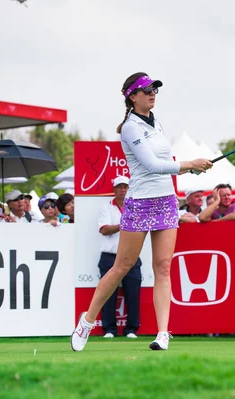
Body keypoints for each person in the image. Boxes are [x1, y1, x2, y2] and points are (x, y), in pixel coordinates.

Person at [71, 72, 212, 352]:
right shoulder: (130, 128)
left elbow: (165, 161)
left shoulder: (156, 122)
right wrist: (188, 163)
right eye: (146, 90)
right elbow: (151, 165)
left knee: (163, 267)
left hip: (166, 201)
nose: (152, 94)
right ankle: (87, 321)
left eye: (154, 90)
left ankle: (162, 334)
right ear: (132, 96)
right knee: (122, 266)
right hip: (140, 202)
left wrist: (189, 167)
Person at [97, 176, 142, 339]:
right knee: (108, 293)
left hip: (132, 255)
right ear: (114, 189)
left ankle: (131, 329)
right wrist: (124, 224)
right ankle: (109, 329)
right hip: (110, 256)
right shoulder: (106, 207)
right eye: (119, 187)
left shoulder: (137, 207)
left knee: (133, 293)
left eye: (126, 187)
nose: (123, 190)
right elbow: (104, 229)